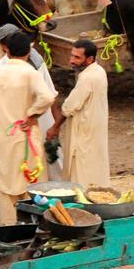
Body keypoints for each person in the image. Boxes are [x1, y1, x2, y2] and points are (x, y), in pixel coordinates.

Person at [0, 32, 56, 224]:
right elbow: (48, 97)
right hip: (25, 138)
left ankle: (10, 231)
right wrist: (33, 114)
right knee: (31, 187)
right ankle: (33, 230)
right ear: (29, 50)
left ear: (7, 50)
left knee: (5, 187)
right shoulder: (29, 72)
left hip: (2, 136)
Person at [0, 24, 61, 178]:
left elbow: (50, 95)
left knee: (47, 162)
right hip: (19, 126)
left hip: (30, 123)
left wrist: (54, 125)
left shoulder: (34, 62)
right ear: (4, 47)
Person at [47, 39, 110, 187]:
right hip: (93, 130)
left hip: (84, 134)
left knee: (81, 173)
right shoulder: (99, 71)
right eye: (72, 56)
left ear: (90, 59)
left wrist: (55, 127)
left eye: (77, 57)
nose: (72, 61)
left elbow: (69, 107)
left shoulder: (88, 78)